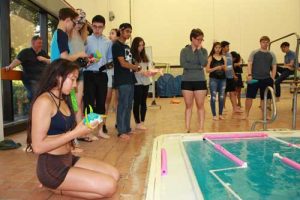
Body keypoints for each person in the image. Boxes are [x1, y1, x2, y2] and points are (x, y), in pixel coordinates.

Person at [26, 59, 119, 199]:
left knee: (115, 174)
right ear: (58, 76)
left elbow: (72, 122)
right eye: (72, 79)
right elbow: (37, 146)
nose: (75, 85)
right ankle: (54, 187)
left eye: (76, 80)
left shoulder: (65, 98)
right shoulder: (44, 102)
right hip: (52, 167)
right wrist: (75, 133)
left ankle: (61, 185)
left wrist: (86, 123)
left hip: (68, 158)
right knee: (109, 186)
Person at [84, 15, 112, 139]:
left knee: (101, 102)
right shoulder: (86, 40)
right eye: (94, 27)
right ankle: (89, 132)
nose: (97, 29)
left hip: (102, 75)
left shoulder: (108, 42)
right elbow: (81, 58)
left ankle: (100, 130)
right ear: (92, 26)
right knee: (89, 103)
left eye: (100, 27)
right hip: (89, 74)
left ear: (104, 27)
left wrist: (107, 65)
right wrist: (89, 60)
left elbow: (110, 60)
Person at [112, 23, 139, 140]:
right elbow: (123, 63)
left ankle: (127, 128)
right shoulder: (116, 45)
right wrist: (135, 67)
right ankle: (121, 131)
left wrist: (137, 66)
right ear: (121, 31)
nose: (129, 34)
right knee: (122, 105)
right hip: (122, 80)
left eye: (130, 32)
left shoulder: (127, 47)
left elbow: (130, 61)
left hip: (130, 79)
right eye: (127, 31)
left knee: (129, 105)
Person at [5, 36, 50, 102]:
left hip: (42, 80)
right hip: (31, 79)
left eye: (41, 43)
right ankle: (32, 109)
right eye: (39, 43)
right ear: (33, 43)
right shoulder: (25, 52)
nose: (41, 45)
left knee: (48, 94)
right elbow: (17, 61)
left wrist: (44, 59)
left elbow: (51, 62)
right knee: (35, 93)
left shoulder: (43, 53)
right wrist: (10, 66)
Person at [180, 29, 208, 133]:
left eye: (202, 39)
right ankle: (187, 127)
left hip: (200, 80)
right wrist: (197, 66)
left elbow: (204, 63)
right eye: (198, 39)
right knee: (188, 105)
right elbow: (183, 64)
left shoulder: (204, 51)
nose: (200, 41)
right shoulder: (184, 50)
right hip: (187, 80)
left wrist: (199, 50)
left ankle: (201, 127)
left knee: (200, 105)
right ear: (192, 38)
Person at [243, 36, 277, 120]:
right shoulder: (254, 52)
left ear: (268, 43)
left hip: (266, 79)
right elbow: (250, 63)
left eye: (267, 42)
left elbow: (274, 66)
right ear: (260, 43)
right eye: (263, 42)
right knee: (249, 97)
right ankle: (246, 114)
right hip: (254, 78)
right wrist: (250, 74)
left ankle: (266, 114)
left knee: (266, 98)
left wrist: (272, 77)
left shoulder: (271, 54)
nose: (265, 44)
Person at [131, 37, 152, 130]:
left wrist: (151, 72)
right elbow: (132, 69)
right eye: (139, 45)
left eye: (143, 45)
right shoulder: (132, 56)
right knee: (137, 103)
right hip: (137, 82)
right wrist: (143, 72)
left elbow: (149, 68)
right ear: (135, 45)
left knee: (144, 102)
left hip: (146, 81)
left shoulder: (145, 55)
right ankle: (138, 122)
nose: (141, 47)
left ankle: (142, 121)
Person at [206, 42, 227, 120]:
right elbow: (207, 70)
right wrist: (216, 68)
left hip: (223, 79)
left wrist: (224, 67)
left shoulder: (224, 57)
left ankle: (220, 114)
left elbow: (226, 69)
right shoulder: (210, 58)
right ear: (213, 48)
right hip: (213, 79)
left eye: (219, 48)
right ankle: (214, 115)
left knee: (221, 97)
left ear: (221, 48)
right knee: (213, 97)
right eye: (216, 48)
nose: (218, 49)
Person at [104, 28, 120, 132]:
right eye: (110, 33)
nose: (110, 35)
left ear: (118, 36)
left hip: (118, 75)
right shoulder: (106, 44)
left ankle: (118, 122)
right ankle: (103, 124)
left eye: (113, 33)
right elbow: (103, 60)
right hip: (109, 74)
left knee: (117, 100)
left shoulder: (119, 46)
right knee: (107, 99)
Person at [221, 41, 243, 113]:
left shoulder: (229, 55)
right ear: (223, 47)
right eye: (227, 46)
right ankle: (223, 108)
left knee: (232, 92)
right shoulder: (220, 55)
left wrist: (234, 75)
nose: (228, 48)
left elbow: (231, 66)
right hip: (223, 77)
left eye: (228, 46)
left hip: (230, 77)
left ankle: (235, 108)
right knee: (224, 93)